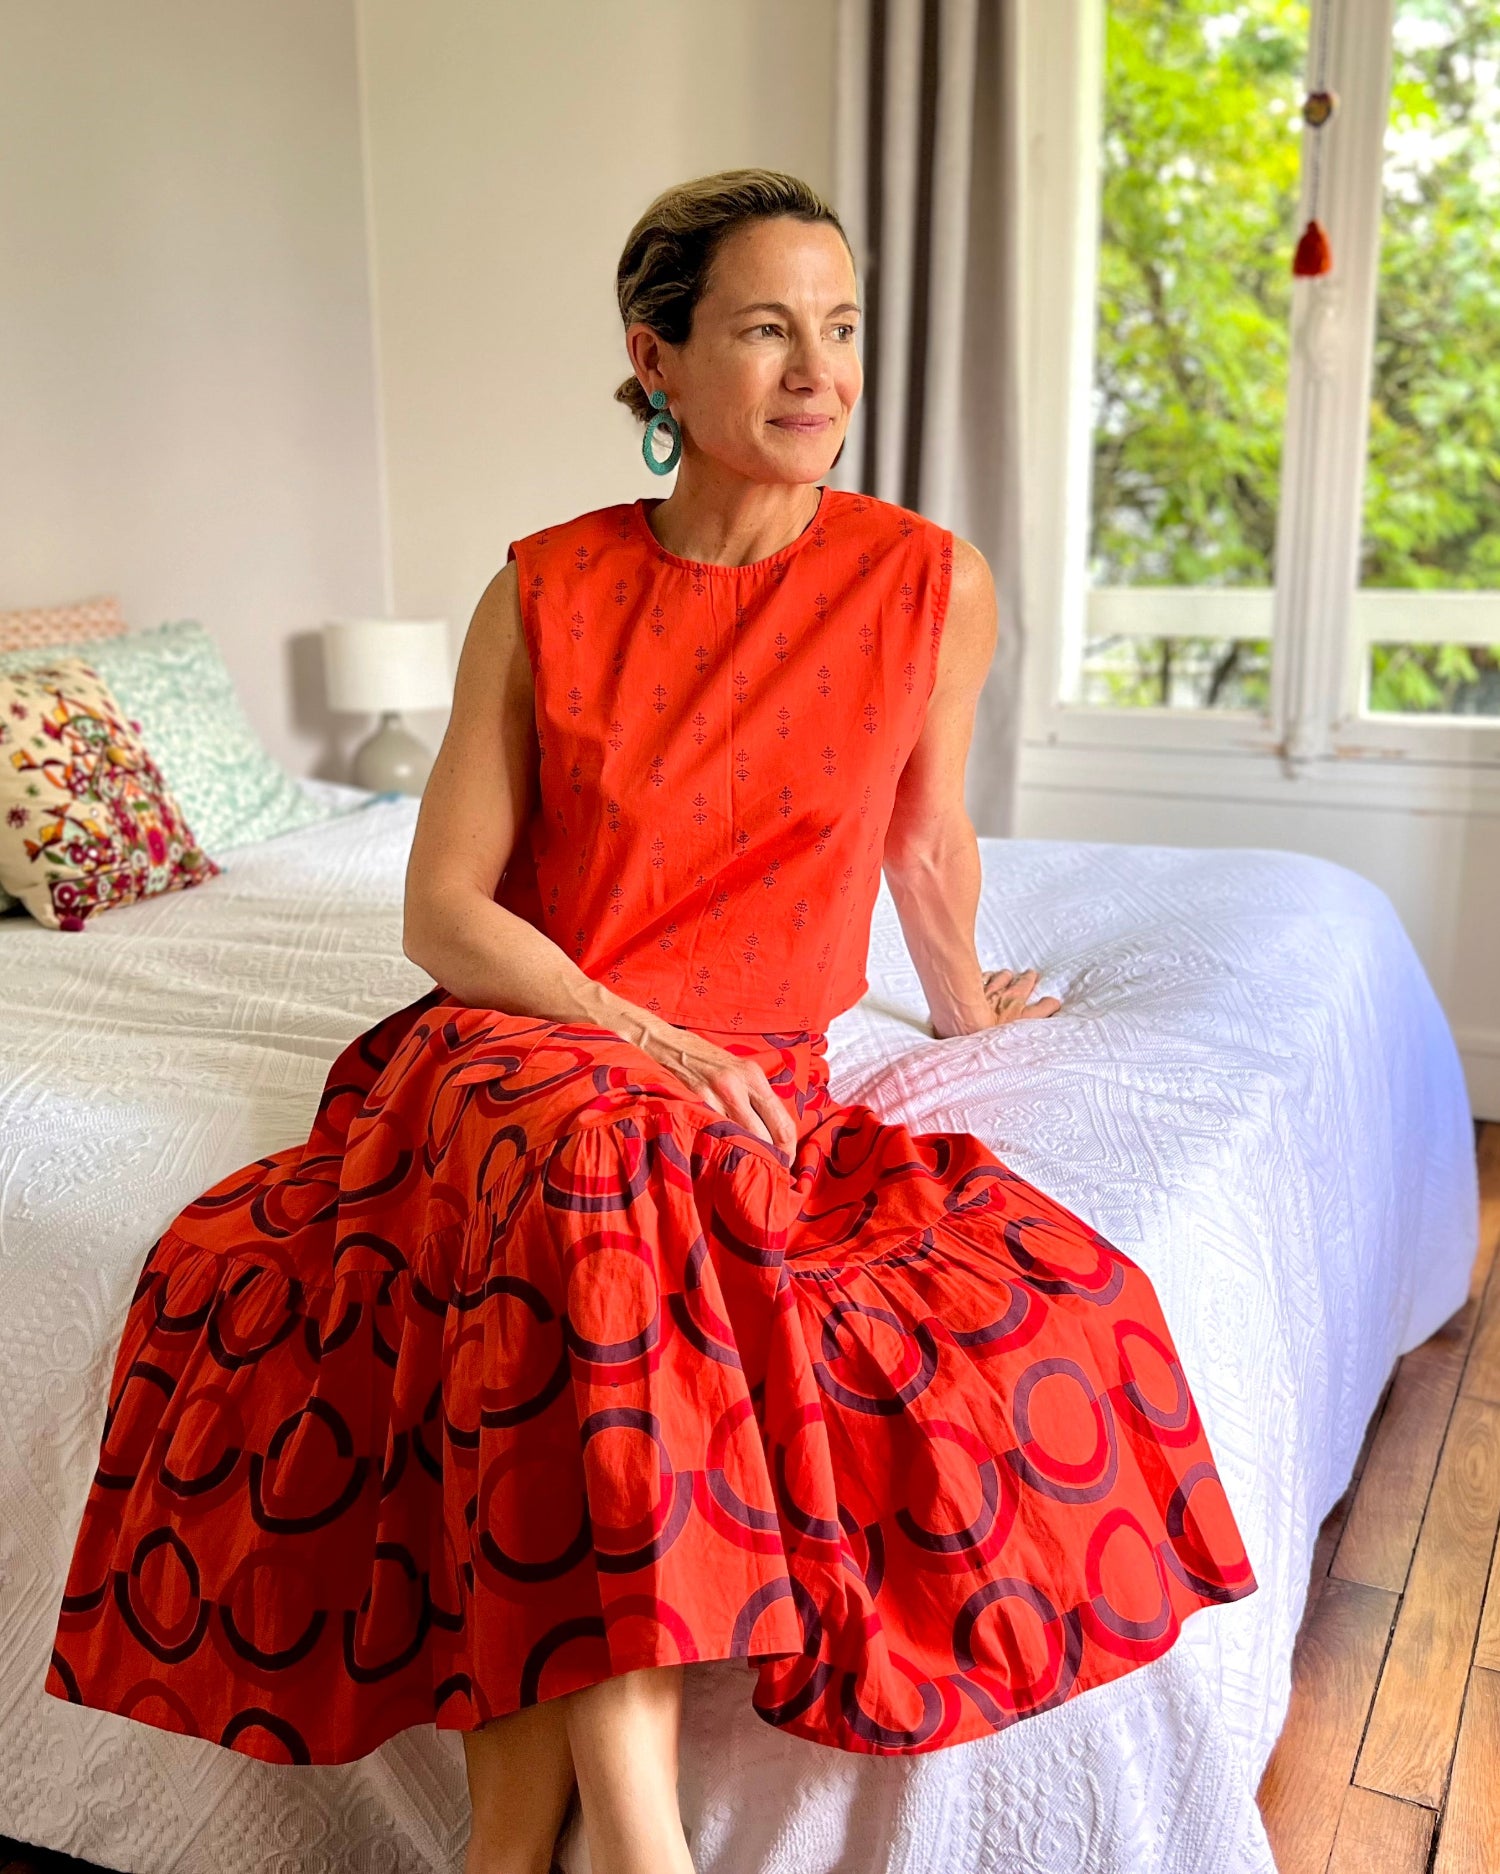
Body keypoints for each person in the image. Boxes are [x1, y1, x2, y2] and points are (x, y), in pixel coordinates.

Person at [45, 169, 1257, 1874]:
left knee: (583, 1242)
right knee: (592, 1155)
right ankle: (638, 1835)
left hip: (731, 1072)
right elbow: (445, 912)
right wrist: (635, 1026)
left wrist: (968, 997)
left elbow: (920, 829)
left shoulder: (927, 583)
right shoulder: (542, 591)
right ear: (658, 361)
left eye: (838, 328)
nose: (817, 372)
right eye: (765, 328)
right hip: (517, 1035)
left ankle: (509, 1850)